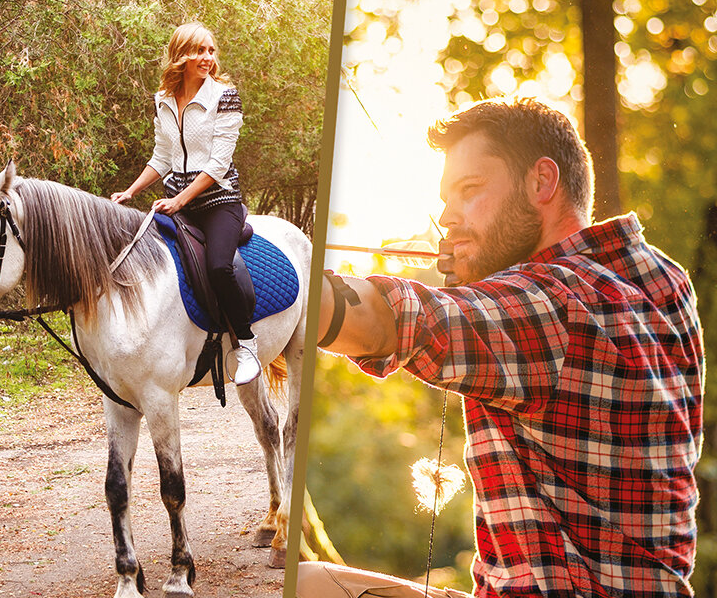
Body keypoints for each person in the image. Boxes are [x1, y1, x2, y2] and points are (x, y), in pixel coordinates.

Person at [299, 98, 704, 597]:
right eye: (446, 199)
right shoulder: (661, 283)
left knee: (300, 584)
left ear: (541, 183)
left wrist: (291, 284)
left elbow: (390, 320)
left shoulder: (556, 306)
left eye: (470, 190)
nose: (447, 217)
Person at [111, 21, 260, 385]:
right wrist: (130, 191)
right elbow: (161, 156)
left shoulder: (224, 96)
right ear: (181, 55)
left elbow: (218, 163)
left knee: (219, 267)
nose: (207, 58)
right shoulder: (163, 99)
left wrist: (178, 200)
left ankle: (247, 344)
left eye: (211, 50)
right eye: (199, 50)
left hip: (218, 201)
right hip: (177, 200)